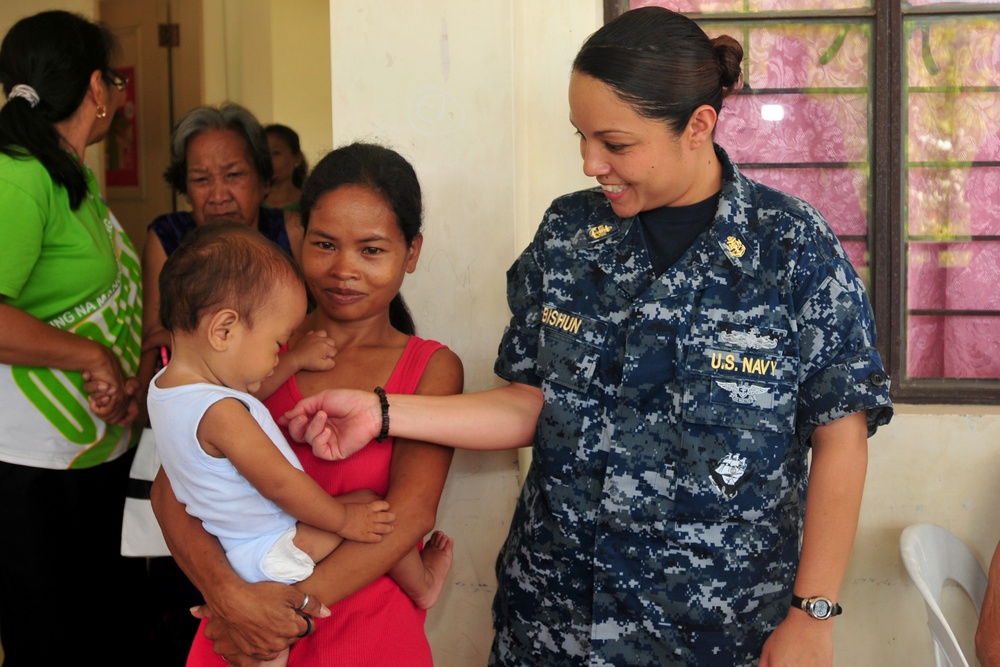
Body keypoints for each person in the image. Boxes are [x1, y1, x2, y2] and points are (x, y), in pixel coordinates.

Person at [282, 7, 894, 667]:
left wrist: (814, 612)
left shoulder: (791, 246)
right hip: (556, 627)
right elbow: (528, 402)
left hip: (722, 634)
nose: (589, 162)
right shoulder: (570, 236)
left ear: (698, 126)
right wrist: (380, 409)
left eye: (615, 143)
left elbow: (842, 437)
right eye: (580, 136)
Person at [151, 142, 463, 666]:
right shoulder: (242, 355)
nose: (344, 268)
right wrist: (231, 598)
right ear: (297, 234)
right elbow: (170, 494)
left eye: (371, 250)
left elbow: (410, 517)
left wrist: (287, 609)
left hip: (359, 634)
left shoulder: (430, 368)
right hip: (242, 627)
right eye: (324, 244)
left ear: (411, 252)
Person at [0, 10, 146, 666]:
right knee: (50, 647)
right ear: (96, 88)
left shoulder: (71, 175)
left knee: (97, 640)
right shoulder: (18, 176)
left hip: (88, 454)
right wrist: (92, 355)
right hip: (30, 470)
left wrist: (129, 378)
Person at [139, 103, 305, 391]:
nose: (218, 195)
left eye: (233, 175)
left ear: (264, 180)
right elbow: (155, 336)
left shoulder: (290, 231)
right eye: (201, 180)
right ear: (186, 190)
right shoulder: (167, 237)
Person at [265, 123, 308, 211]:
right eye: (264, 153)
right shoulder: (251, 204)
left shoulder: (308, 203)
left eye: (276, 153)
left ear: (297, 158)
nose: (268, 159)